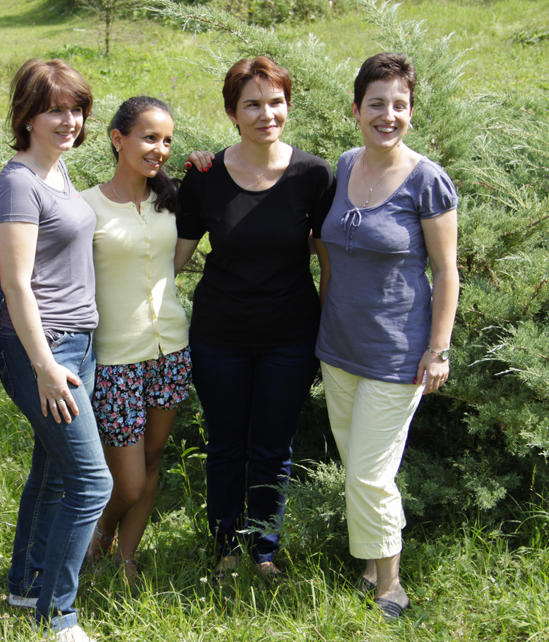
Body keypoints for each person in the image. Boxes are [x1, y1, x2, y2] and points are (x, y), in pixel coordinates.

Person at [175, 57, 335, 575]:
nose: (267, 114)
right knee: (225, 445)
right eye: (252, 105)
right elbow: (172, 257)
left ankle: (264, 549)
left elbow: (329, 263)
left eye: (276, 102)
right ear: (232, 113)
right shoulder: (205, 176)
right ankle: (225, 548)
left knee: (272, 448)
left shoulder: (314, 175)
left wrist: (331, 329)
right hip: (219, 336)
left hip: (291, 337)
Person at [314, 52, 459, 620]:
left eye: (400, 104)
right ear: (356, 110)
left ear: (412, 112)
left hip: (397, 354)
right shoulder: (347, 163)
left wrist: (438, 350)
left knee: (369, 474)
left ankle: (390, 586)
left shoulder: (427, 180)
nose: (388, 115)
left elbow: (446, 271)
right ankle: (373, 563)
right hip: (337, 347)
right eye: (376, 103)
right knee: (359, 466)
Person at [0, 58, 112, 642]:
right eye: (55, 110)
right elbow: (16, 285)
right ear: (27, 116)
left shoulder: (57, 170)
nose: (70, 121)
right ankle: (58, 616)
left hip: (77, 343)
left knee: (55, 473)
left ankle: (26, 583)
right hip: (44, 348)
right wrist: (43, 367)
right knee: (92, 482)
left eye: (77, 109)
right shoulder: (18, 183)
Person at [81, 97, 191, 577]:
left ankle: (126, 558)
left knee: (151, 459)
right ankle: (100, 534)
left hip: (172, 352)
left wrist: (201, 164)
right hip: (115, 360)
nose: (159, 149)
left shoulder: (171, 200)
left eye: (167, 140)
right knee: (127, 481)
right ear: (117, 138)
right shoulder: (85, 206)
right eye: (149, 137)